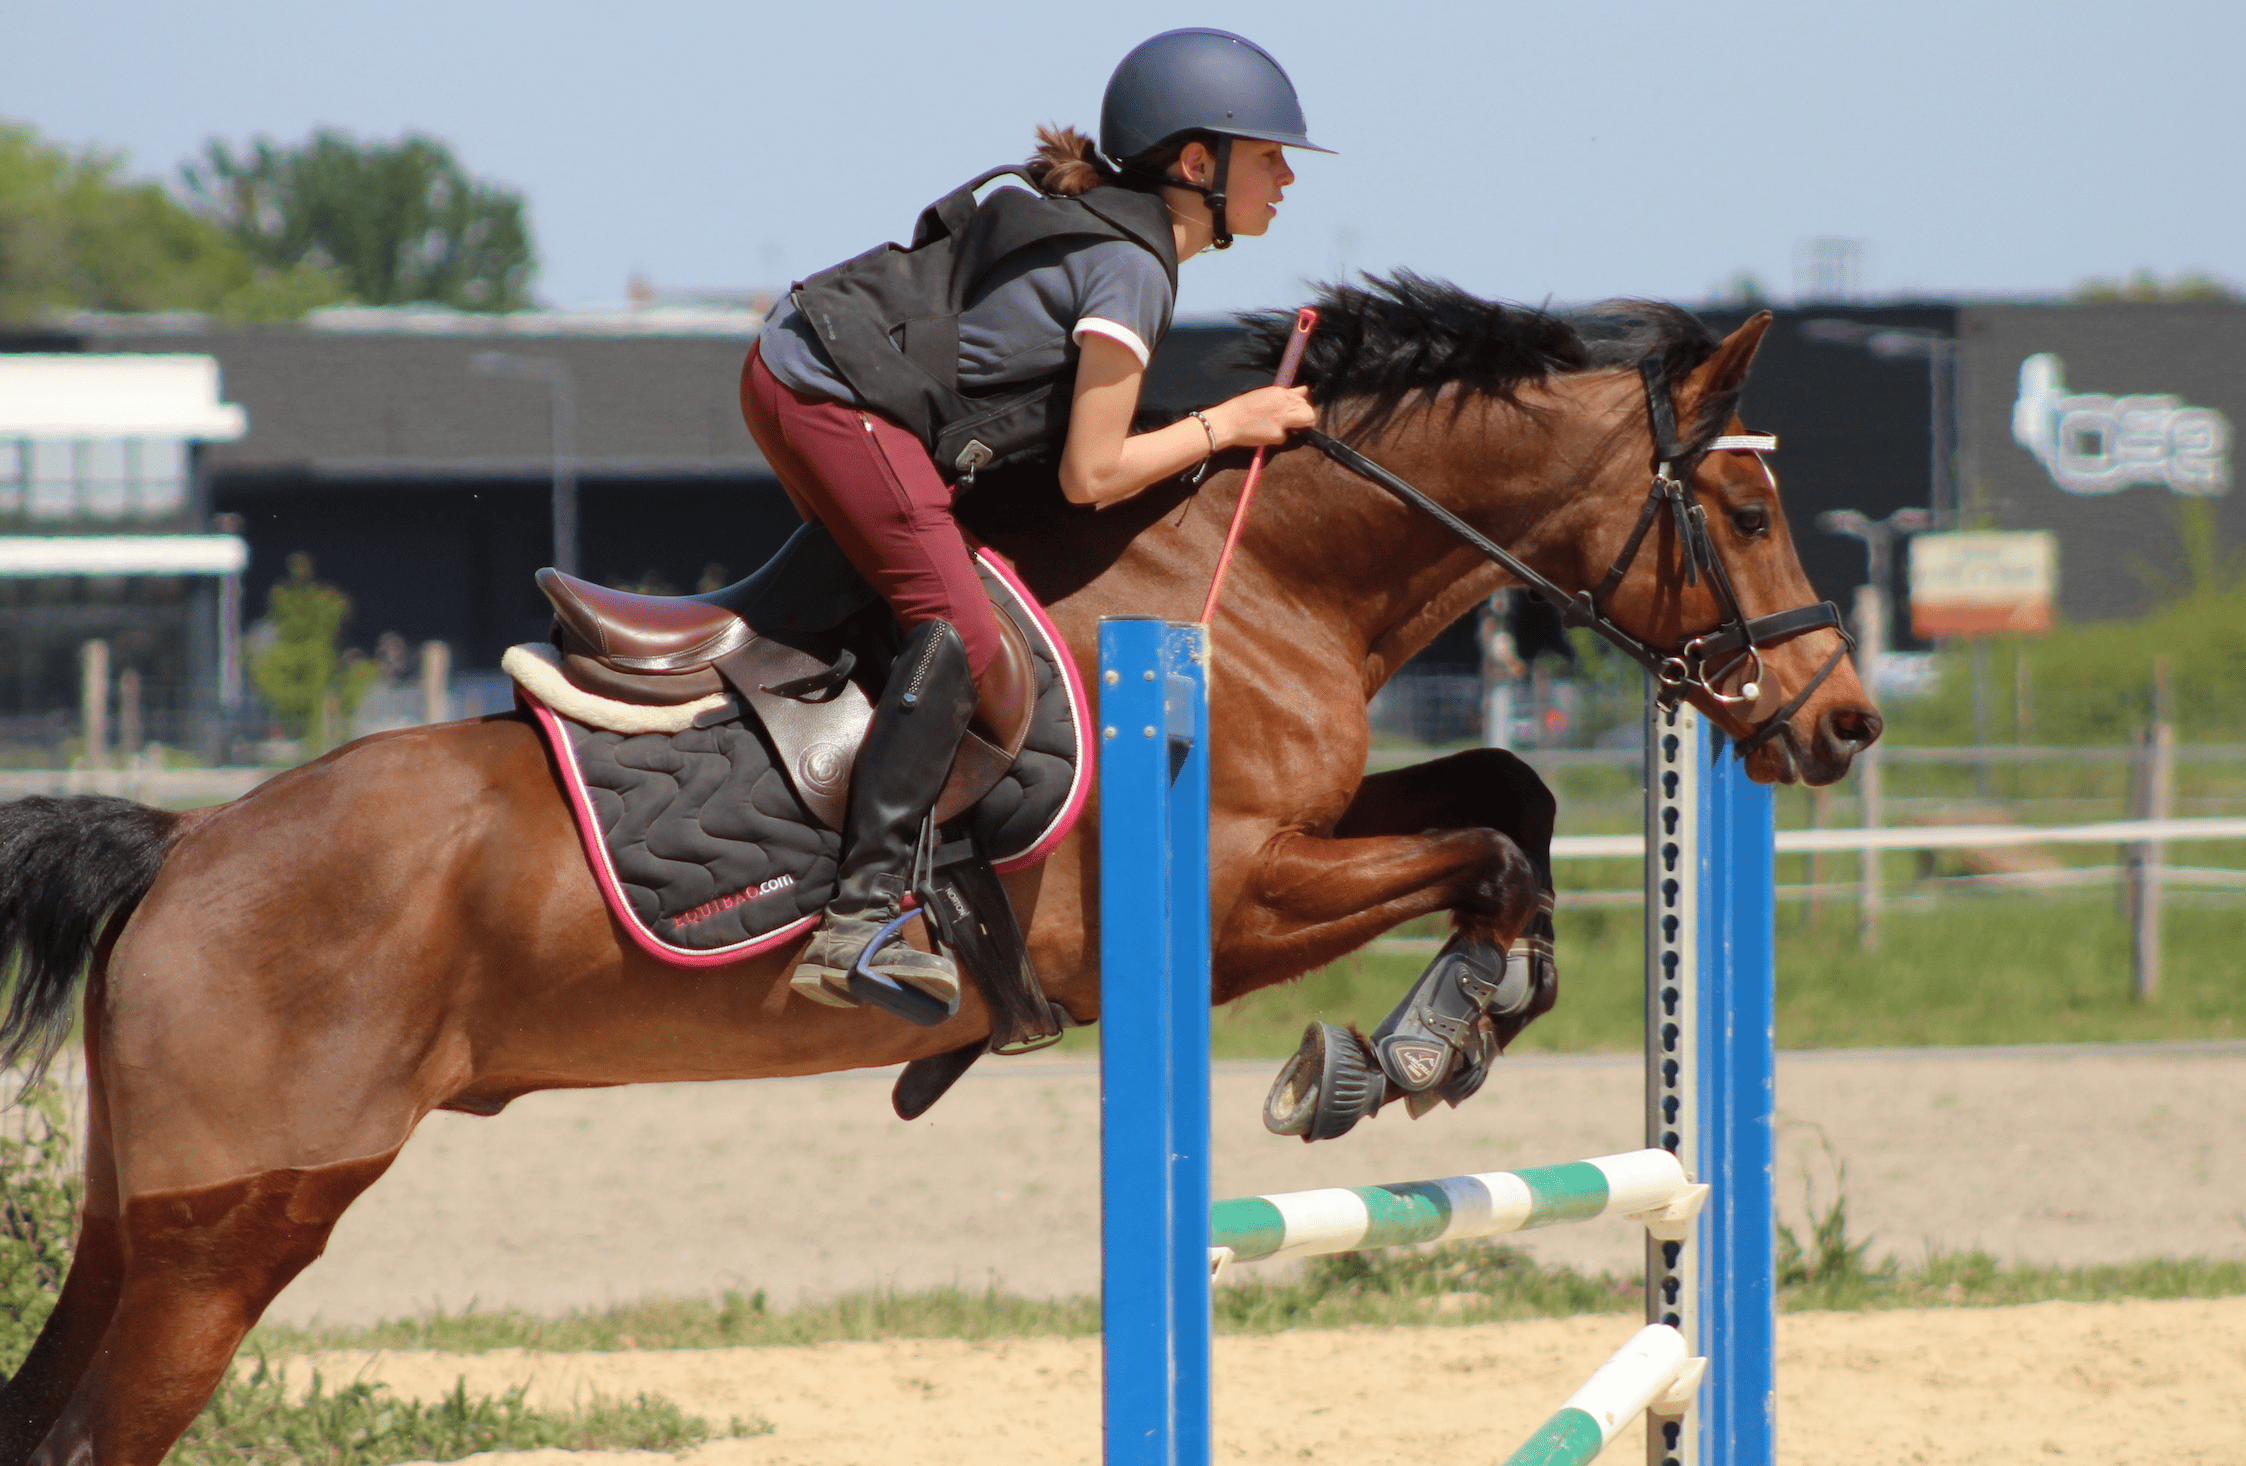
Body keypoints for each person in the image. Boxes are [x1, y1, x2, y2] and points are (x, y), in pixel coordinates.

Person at [742, 27, 1328, 1013]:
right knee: (963, 635)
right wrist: (1226, 422)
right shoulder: (1133, 269)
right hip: (825, 395)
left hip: (802, 365)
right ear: (1196, 163)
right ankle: (859, 920)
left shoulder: (1115, 228)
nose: (1285, 180)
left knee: (910, 605)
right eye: (1267, 157)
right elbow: (1091, 473)